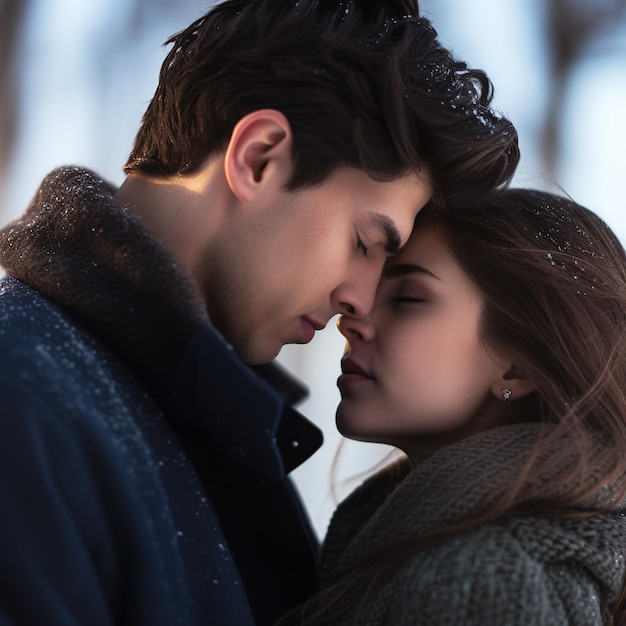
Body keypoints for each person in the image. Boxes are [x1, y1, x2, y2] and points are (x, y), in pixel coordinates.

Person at [0, 1, 519, 625]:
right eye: (364, 243)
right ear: (259, 158)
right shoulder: (24, 406)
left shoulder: (221, 429)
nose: (360, 298)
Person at [283, 188, 626, 625]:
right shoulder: (430, 544)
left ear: (518, 368)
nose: (351, 319)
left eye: (408, 298)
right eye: (371, 290)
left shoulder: (486, 583)